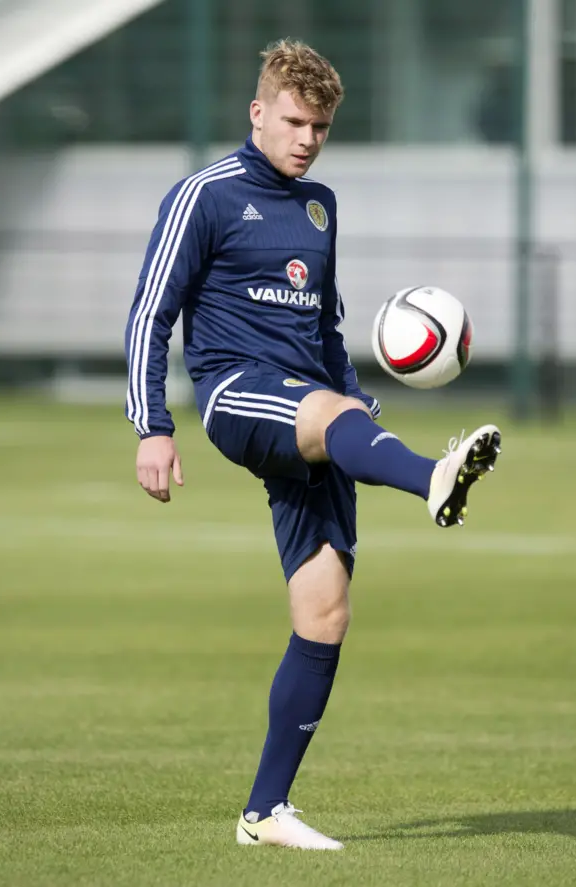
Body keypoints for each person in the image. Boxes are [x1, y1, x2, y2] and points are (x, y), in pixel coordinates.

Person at [124, 38, 501, 851]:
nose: (306, 139)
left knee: (324, 613)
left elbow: (325, 328)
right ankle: (431, 473)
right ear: (258, 112)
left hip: (316, 411)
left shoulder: (320, 205)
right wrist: (153, 424)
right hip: (236, 392)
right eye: (294, 121)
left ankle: (264, 812)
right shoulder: (205, 195)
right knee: (337, 416)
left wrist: (354, 401)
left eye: (321, 127)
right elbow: (150, 311)